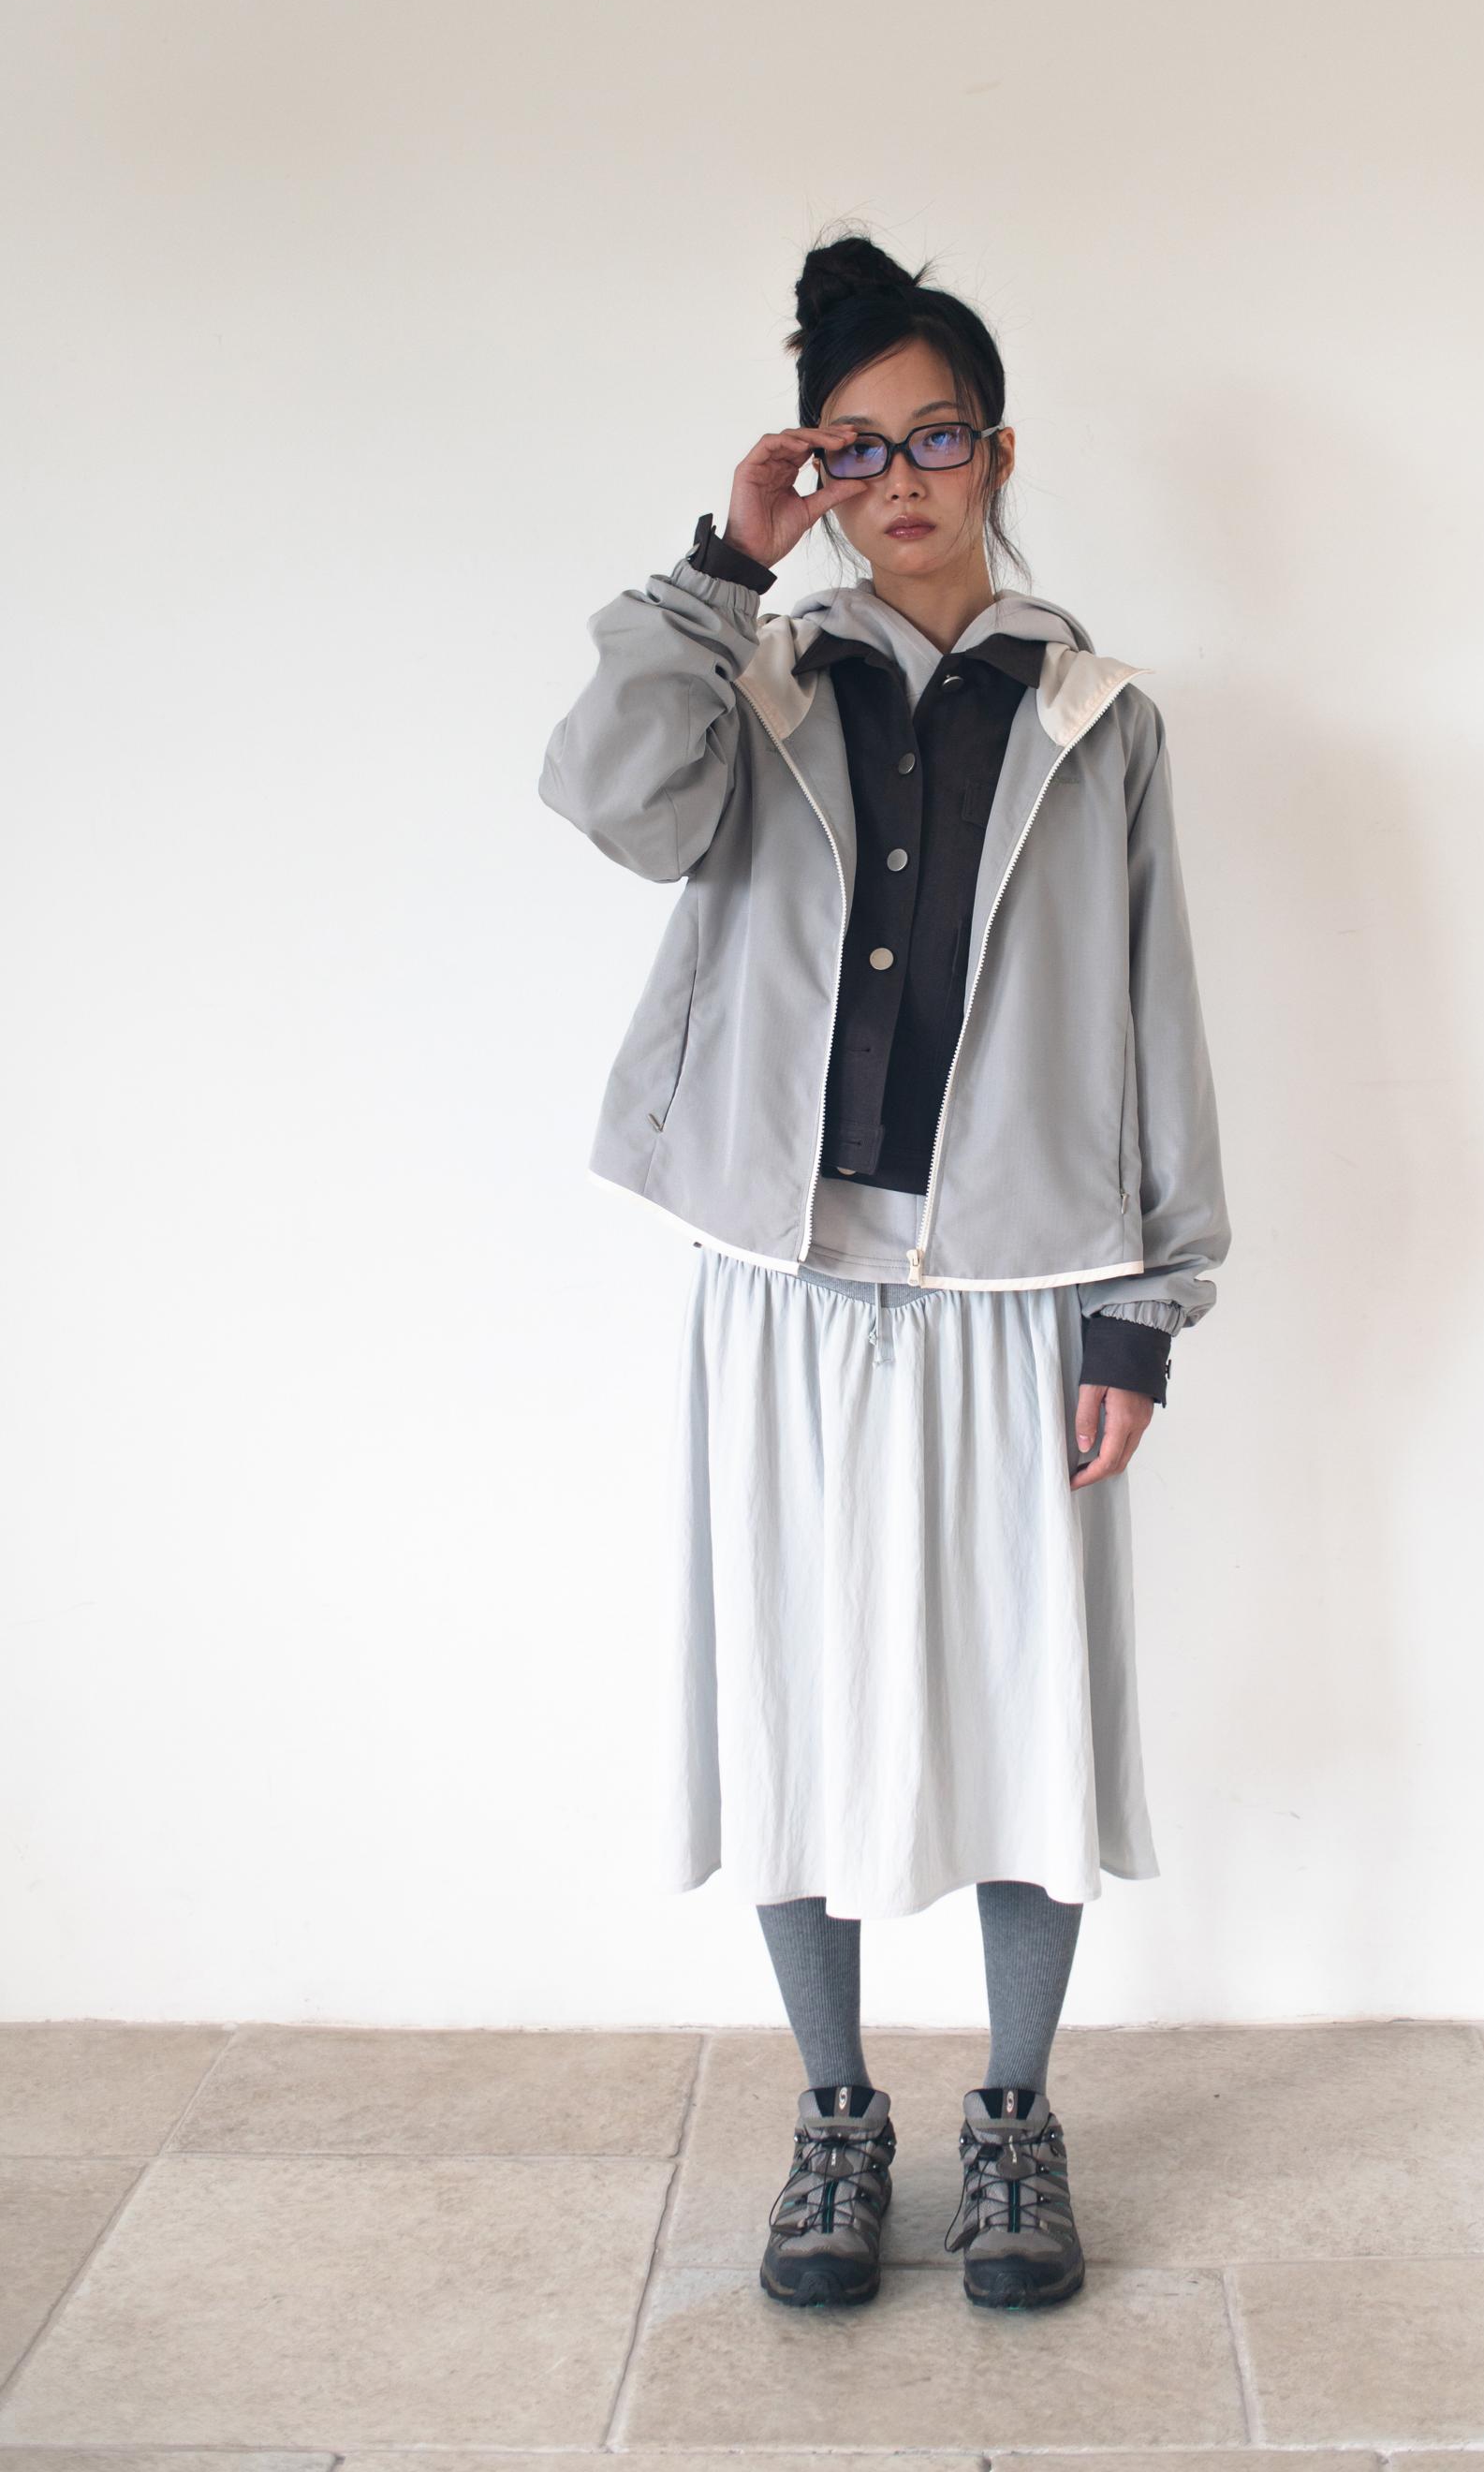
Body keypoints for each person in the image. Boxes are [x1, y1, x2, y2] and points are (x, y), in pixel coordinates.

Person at [538, 231, 1229, 2313]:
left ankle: (1013, 2119)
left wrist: (1147, 1305)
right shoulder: (747, 680)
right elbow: (610, 807)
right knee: (791, 1698)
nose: (899, 477)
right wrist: (720, 572)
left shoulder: (1099, 717)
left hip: (1026, 1287)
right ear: (811, 470)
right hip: (786, 1284)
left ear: (997, 451)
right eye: (854, 445)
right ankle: (837, 2118)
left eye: (934, 436)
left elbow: (1156, 1013)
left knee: (1029, 1711)